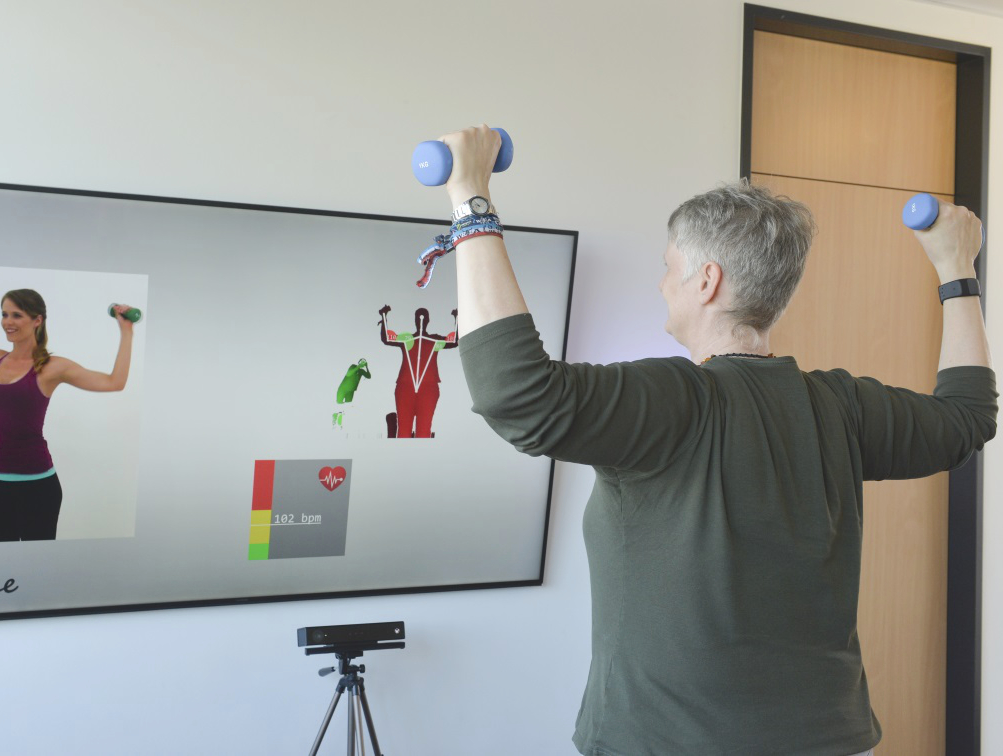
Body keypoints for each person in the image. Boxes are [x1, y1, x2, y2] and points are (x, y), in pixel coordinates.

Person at [439, 125, 997, 755]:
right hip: (831, 741)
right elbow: (967, 417)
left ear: (706, 281)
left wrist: (471, 200)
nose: (661, 284)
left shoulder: (676, 401)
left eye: (668, 268)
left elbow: (514, 393)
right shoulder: (841, 407)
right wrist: (957, 269)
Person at [0, 289, 135, 542]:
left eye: (17, 315)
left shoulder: (51, 367)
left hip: (38, 485)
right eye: (4, 314)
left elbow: (114, 382)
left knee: (38, 568)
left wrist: (127, 331)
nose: (8, 322)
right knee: (1, 568)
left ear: (37, 320)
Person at [378, 304, 458, 438]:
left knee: (423, 431)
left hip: (428, 387)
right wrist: (383, 318)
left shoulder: (434, 340)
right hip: (405, 386)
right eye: (419, 317)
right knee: (404, 431)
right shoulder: (407, 339)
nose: (421, 320)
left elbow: (454, 341)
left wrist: (457, 320)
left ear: (428, 321)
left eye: (424, 317)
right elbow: (386, 339)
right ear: (415, 320)